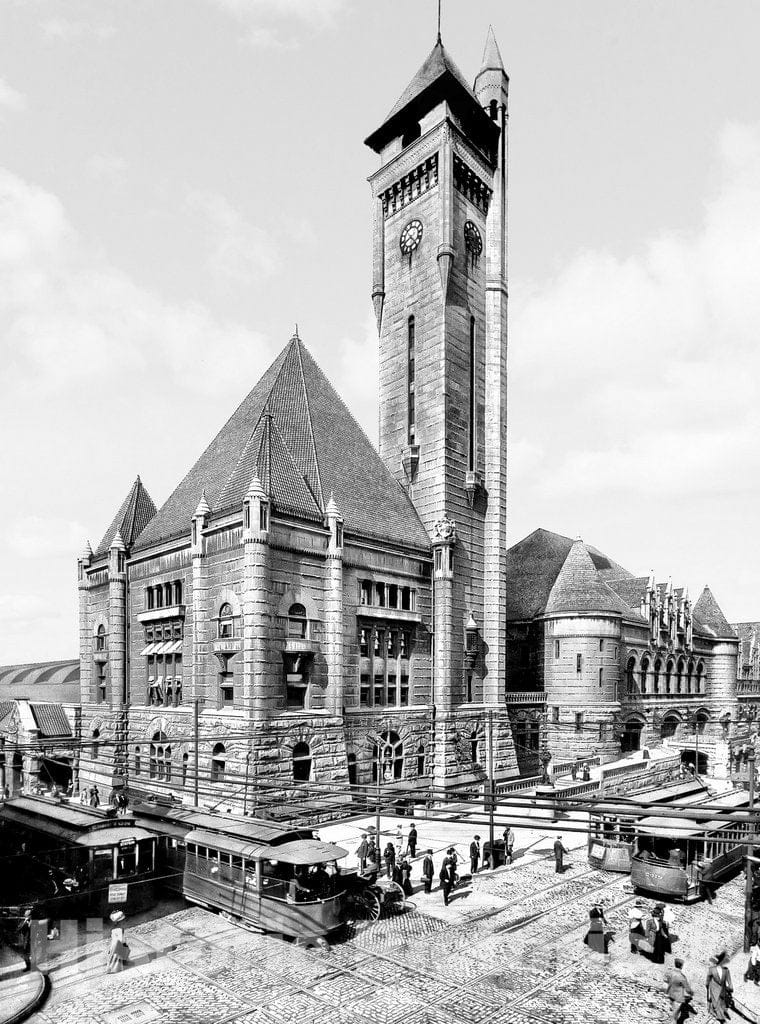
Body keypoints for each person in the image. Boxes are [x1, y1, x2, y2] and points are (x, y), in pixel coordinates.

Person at [705, 952, 733, 1021]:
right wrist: (707, 986)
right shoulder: (711, 970)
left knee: (721, 1002)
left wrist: (730, 986)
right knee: (716, 1004)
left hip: (722, 989)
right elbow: (708, 979)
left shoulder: (726, 970)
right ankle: (721, 1019)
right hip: (714, 989)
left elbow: (729, 980)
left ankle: (715, 1011)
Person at [665, 958, 693, 1024]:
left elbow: (666, 980)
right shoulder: (682, 976)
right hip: (678, 998)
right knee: (675, 1014)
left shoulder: (670, 972)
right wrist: (691, 993)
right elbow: (687, 989)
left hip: (670, 994)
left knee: (673, 1010)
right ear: (681, 966)